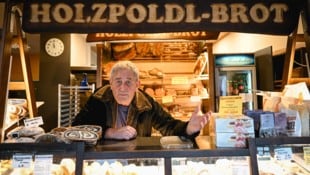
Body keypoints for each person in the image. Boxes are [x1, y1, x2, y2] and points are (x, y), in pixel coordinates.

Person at [72, 61, 211, 140]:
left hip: (136, 162)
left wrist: (188, 128)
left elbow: (168, 126)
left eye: (128, 82)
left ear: (137, 85)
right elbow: (77, 127)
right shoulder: (98, 98)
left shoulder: (147, 103)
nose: (122, 88)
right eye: (118, 81)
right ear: (111, 83)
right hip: (101, 162)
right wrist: (110, 132)